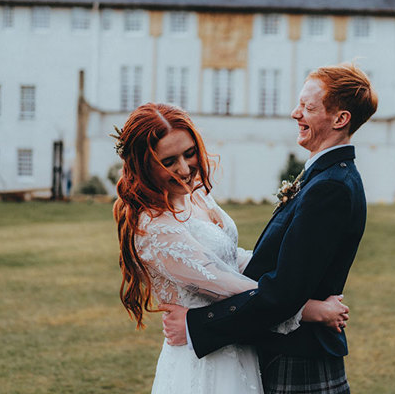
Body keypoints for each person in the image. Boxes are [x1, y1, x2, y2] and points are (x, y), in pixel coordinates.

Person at [162, 63, 378, 394]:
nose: (296, 113)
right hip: (288, 350)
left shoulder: (330, 187)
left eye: (308, 107)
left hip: (296, 358)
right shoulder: (325, 176)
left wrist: (196, 326)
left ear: (340, 119)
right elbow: (272, 266)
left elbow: (283, 294)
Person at [112, 103, 350, 394]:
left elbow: (231, 258)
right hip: (204, 363)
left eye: (189, 153)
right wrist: (308, 309)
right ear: (144, 166)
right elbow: (225, 284)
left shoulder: (195, 196)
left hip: (236, 343)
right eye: (168, 161)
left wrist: (291, 277)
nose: (185, 169)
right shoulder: (153, 227)